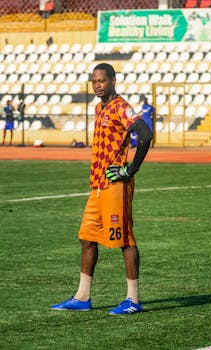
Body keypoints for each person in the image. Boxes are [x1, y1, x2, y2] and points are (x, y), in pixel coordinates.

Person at [51, 63, 153, 315]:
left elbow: (145, 134)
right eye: (94, 81)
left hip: (115, 184)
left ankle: (133, 300)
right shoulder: (99, 107)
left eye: (102, 81)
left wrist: (130, 170)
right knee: (87, 238)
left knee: (125, 240)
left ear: (113, 80)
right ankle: (82, 297)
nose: (97, 85)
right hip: (97, 185)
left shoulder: (121, 106)